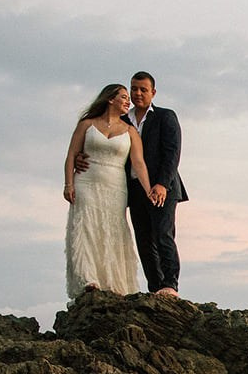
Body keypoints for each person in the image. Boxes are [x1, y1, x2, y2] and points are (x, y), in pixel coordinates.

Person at [75, 71, 187, 296]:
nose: (137, 93)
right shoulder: (123, 120)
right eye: (134, 89)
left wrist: (162, 184)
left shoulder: (165, 116)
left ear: (153, 92)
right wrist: (81, 157)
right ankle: (155, 287)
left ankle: (170, 285)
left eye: (143, 90)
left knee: (163, 234)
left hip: (161, 187)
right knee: (143, 240)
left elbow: (172, 153)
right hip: (133, 189)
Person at [62, 84, 161, 300]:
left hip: (115, 186)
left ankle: (112, 282)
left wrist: (148, 190)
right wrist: (68, 184)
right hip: (86, 182)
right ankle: (89, 279)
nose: (128, 101)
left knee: (112, 229)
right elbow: (71, 155)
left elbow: (139, 163)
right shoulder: (87, 125)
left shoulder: (130, 131)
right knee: (86, 226)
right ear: (110, 99)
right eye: (124, 97)